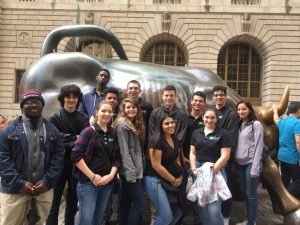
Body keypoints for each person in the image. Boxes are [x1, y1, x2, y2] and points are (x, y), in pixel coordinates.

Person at [0, 89, 65, 225]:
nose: (34, 105)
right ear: (22, 106)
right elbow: (3, 160)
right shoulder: (9, 130)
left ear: (42, 105)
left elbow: (58, 159)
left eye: (37, 102)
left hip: (43, 191)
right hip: (14, 191)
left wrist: (47, 181)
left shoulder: (53, 131)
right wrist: (19, 183)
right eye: (29, 102)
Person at [71, 100, 121, 225]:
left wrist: (111, 176)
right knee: (86, 220)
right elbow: (76, 156)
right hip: (88, 183)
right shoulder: (88, 132)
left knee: (99, 219)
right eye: (103, 111)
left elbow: (117, 158)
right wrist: (92, 177)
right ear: (97, 112)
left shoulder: (113, 133)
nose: (107, 114)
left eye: (110, 111)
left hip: (107, 183)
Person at [46, 84, 89, 225]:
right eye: (68, 97)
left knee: (72, 202)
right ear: (62, 99)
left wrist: (65, 138)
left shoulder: (83, 118)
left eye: (75, 97)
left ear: (78, 99)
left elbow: (85, 143)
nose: (71, 100)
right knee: (54, 201)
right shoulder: (54, 117)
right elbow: (53, 144)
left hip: (77, 165)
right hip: (58, 165)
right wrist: (75, 138)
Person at [189, 108, 231, 225]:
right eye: (207, 117)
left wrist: (212, 171)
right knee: (202, 208)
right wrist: (194, 170)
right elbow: (192, 153)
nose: (209, 120)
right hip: (199, 171)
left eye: (212, 117)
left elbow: (225, 155)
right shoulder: (196, 133)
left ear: (216, 119)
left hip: (216, 172)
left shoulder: (223, 134)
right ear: (203, 118)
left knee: (214, 210)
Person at [144, 115, 183, 225]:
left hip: (167, 178)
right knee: (166, 216)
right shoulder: (156, 140)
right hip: (154, 179)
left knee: (177, 213)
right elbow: (156, 165)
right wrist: (173, 180)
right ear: (160, 126)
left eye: (172, 122)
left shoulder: (174, 138)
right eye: (166, 123)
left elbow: (177, 160)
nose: (170, 125)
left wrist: (180, 176)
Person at [112, 98, 146, 225]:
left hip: (131, 170)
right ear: (123, 109)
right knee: (140, 204)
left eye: (133, 107)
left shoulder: (132, 123)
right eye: (128, 107)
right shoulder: (122, 124)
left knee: (124, 203)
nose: (131, 110)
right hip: (129, 171)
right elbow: (124, 151)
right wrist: (132, 174)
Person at [212, 85, 239, 225]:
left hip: (224, 160)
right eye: (216, 95)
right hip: (210, 160)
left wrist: (227, 158)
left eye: (221, 95)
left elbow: (232, 138)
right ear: (213, 97)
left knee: (225, 191)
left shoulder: (230, 114)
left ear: (225, 96)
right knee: (211, 191)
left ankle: (225, 219)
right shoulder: (210, 113)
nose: (219, 97)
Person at [235, 101, 264, 225]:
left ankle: (251, 222)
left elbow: (259, 146)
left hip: (251, 165)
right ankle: (249, 220)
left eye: (244, 109)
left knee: (251, 195)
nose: (241, 111)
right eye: (239, 109)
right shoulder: (239, 124)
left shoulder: (256, 124)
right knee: (245, 194)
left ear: (250, 110)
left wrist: (255, 168)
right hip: (240, 165)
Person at [182, 91, 206, 225]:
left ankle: (198, 220)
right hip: (183, 160)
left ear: (204, 103)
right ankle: (181, 216)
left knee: (199, 192)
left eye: (200, 101)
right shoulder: (183, 118)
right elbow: (178, 140)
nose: (197, 103)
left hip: (199, 162)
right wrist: (182, 157)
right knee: (181, 191)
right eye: (195, 100)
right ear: (191, 102)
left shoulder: (206, 120)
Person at [273, 101, 300, 199]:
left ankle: (282, 199)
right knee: (298, 181)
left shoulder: (283, 121)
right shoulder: (298, 123)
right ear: (298, 111)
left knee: (285, 179)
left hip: (282, 157)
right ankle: (287, 198)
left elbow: (276, 119)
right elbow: (298, 142)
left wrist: (275, 111)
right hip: (294, 158)